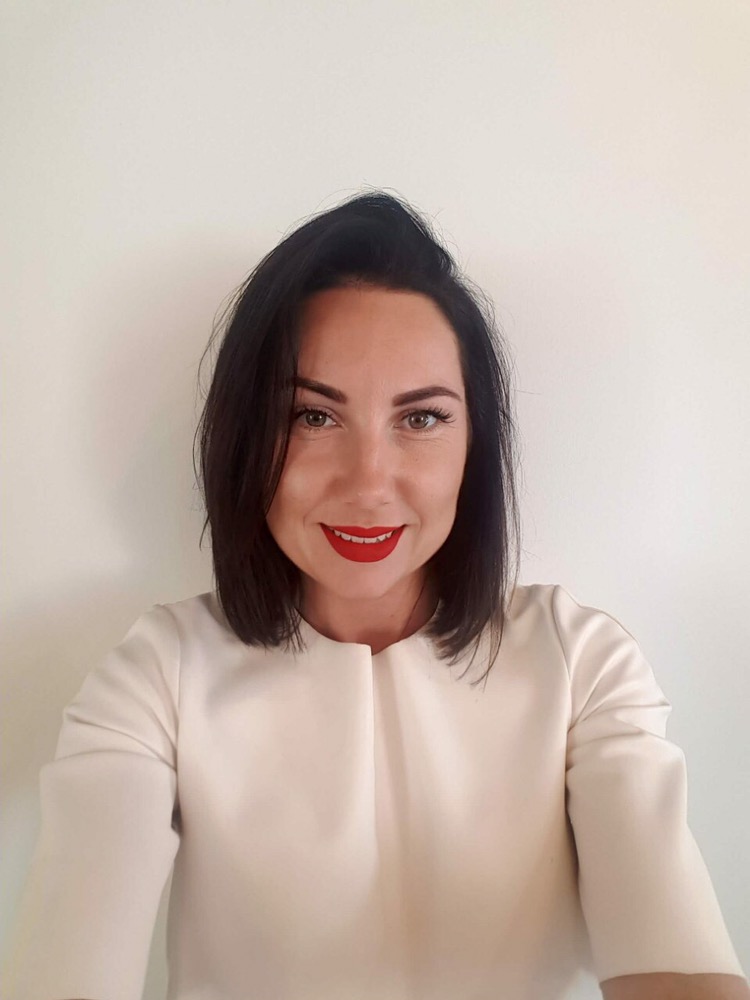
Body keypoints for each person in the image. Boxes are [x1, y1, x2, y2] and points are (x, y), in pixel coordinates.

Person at [4, 192, 748, 1000]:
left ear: (474, 446)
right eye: (313, 416)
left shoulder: (579, 663)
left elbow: (678, 964)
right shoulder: (161, 675)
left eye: (421, 418)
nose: (368, 483)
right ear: (245, 435)